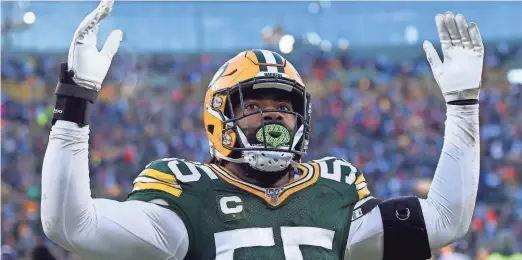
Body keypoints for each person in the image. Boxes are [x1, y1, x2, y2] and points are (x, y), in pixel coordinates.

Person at [40, 0, 484, 259]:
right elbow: (70, 225)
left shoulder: (335, 190)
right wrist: (75, 99)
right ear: (219, 117)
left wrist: (463, 106)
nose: (273, 116)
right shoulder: (187, 193)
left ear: (303, 118)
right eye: (252, 104)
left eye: (284, 107)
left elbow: (447, 219)